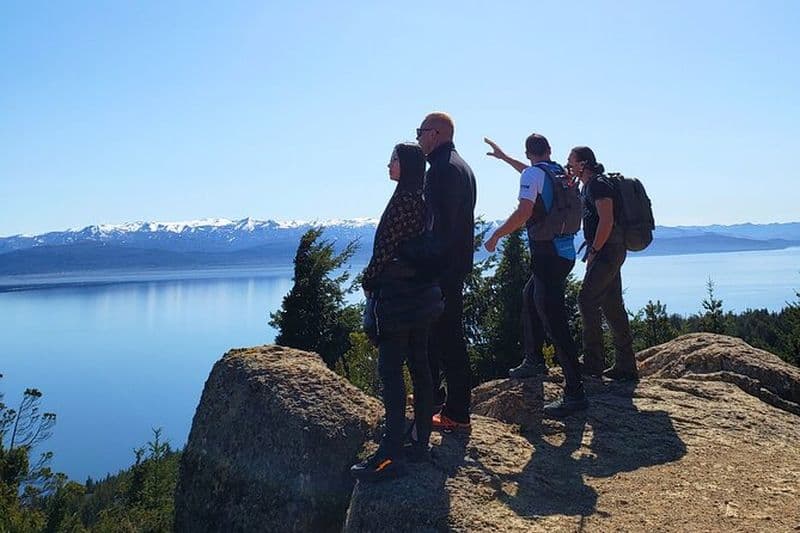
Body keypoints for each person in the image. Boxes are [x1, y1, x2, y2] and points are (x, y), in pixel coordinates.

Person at [351, 142, 442, 482]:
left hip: (398, 300)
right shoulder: (422, 200)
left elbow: (385, 251)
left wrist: (369, 279)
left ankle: (391, 453)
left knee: (390, 371)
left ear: (406, 165)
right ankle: (419, 442)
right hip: (420, 298)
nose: (388, 165)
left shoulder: (403, 202)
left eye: (393, 160)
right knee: (419, 366)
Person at [484, 135, 588, 417]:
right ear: (550, 150)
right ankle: (534, 361)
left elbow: (525, 210)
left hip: (546, 253)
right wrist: (505, 158)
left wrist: (496, 235)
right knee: (530, 296)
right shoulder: (556, 172)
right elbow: (532, 175)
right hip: (564, 251)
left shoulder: (535, 173)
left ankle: (575, 393)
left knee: (555, 322)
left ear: (528, 152)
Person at [415, 112, 476, 430]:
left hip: (443, 268)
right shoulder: (461, 166)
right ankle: (436, 397)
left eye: (420, 132)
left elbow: (438, 226)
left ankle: (457, 412)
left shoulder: (440, 170)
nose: (418, 138)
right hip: (455, 264)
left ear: (435, 134)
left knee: (449, 337)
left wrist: (422, 262)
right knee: (437, 335)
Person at [569, 146, 639, 381]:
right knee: (611, 304)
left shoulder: (598, 184)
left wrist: (594, 251)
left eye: (571, 160)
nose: (568, 164)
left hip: (608, 251)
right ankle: (626, 365)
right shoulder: (590, 184)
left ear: (582, 163)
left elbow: (606, 220)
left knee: (586, 299)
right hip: (610, 250)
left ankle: (593, 362)